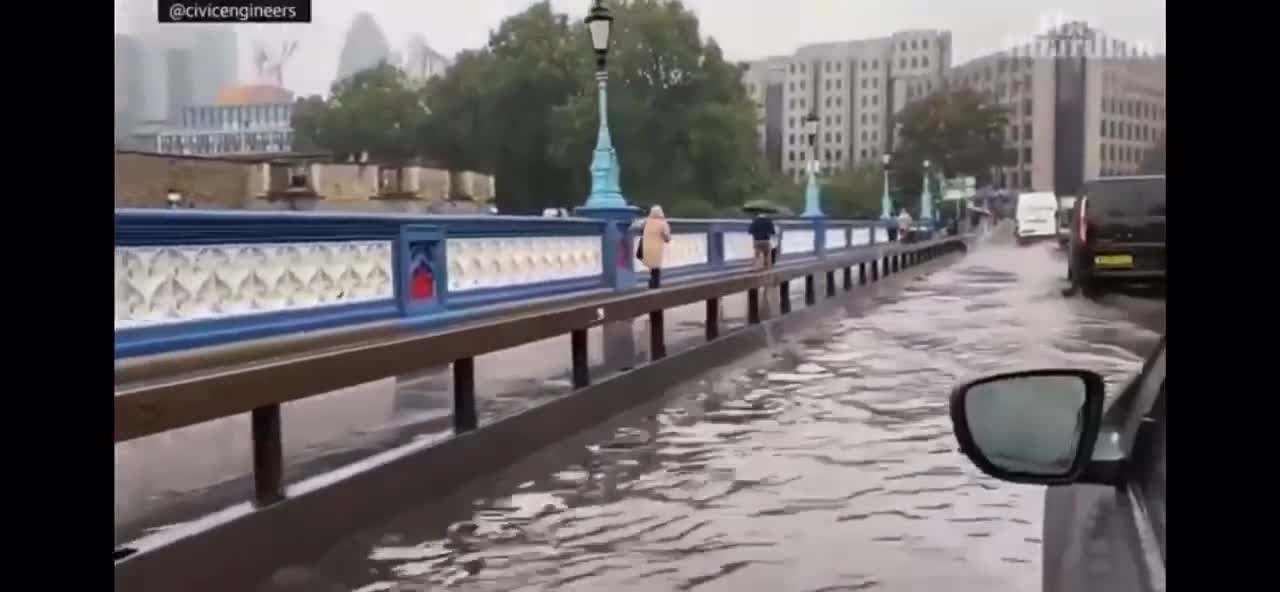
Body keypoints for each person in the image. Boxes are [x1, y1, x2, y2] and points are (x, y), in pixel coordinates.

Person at [639, 205, 671, 288]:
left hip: (646, 247)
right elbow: (667, 238)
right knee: (656, 266)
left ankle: (651, 281)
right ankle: (655, 284)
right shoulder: (663, 223)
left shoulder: (646, 221)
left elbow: (641, 228)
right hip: (657, 248)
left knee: (650, 265)